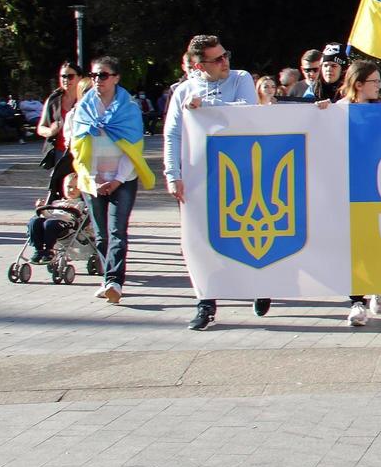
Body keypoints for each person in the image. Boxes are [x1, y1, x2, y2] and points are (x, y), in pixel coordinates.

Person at [165, 35, 266, 331]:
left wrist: (206, 108)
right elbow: (173, 135)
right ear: (199, 65)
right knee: (200, 242)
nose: (225, 62)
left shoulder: (240, 78)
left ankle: (260, 283)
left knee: (250, 231)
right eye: (217, 59)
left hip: (240, 172)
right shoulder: (184, 91)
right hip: (201, 176)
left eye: (225, 55)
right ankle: (206, 302)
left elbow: (244, 114)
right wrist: (173, 175)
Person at [71, 56, 156, 305]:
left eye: (104, 75)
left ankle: (114, 281)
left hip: (123, 179)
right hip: (93, 180)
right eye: (95, 75)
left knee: (117, 230)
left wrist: (117, 180)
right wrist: (91, 177)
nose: (98, 80)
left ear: (116, 78)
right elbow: (78, 147)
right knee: (101, 234)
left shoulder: (128, 108)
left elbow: (133, 148)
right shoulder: (84, 108)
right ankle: (107, 278)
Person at [318, 60, 381, 325]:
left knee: (377, 240)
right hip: (347, 187)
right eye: (375, 82)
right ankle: (356, 302)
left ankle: (380, 283)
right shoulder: (339, 110)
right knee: (352, 246)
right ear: (359, 84)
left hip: (379, 186)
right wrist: (320, 113)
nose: (379, 86)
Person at [36, 61, 81, 174]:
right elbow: (40, 128)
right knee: (62, 187)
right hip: (61, 152)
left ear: (80, 77)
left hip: (83, 151)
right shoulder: (53, 100)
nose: (66, 80)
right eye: (63, 76)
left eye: (70, 76)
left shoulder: (86, 99)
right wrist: (51, 131)